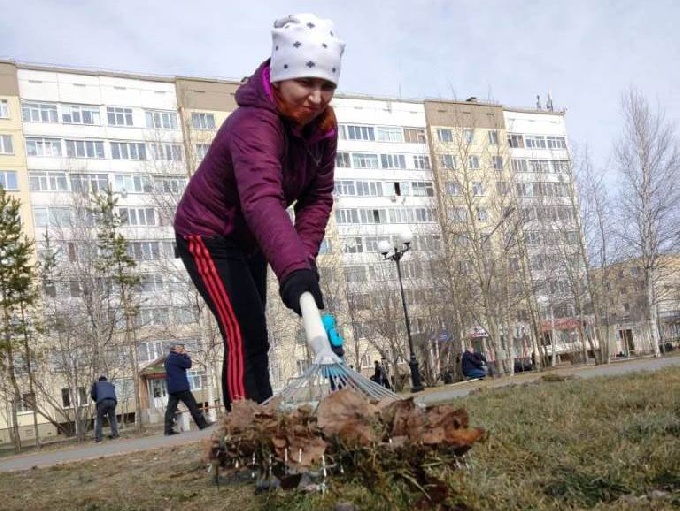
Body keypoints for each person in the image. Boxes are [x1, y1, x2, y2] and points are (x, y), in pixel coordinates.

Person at [173, 13, 346, 411]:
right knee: (243, 334)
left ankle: (262, 419)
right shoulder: (253, 123)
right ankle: (244, 435)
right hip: (208, 234)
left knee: (258, 335)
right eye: (306, 82)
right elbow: (261, 198)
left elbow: (318, 198)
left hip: (252, 237)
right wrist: (292, 269)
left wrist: (301, 261)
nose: (316, 97)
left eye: (327, 85)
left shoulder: (323, 130)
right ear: (282, 75)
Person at [164, 344, 212, 435]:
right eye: (180, 348)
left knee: (170, 409)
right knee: (193, 406)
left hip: (172, 388)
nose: (182, 349)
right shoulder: (177, 357)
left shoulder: (167, 359)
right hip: (182, 387)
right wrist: (185, 355)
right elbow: (188, 364)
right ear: (175, 349)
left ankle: (167, 429)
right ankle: (202, 424)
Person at [321, 312, 346, 390]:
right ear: (331, 322)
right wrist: (341, 340)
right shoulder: (331, 330)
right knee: (343, 377)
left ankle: (334, 392)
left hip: (327, 358)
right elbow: (335, 342)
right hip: (336, 357)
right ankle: (340, 391)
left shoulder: (323, 332)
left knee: (332, 378)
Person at [90, 375, 119, 442]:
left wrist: (97, 401)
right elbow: (113, 393)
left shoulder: (96, 384)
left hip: (102, 402)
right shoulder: (110, 384)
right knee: (112, 418)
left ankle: (98, 438)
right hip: (112, 401)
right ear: (106, 380)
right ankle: (115, 434)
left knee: (99, 419)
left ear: (99, 380)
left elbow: (93, 395)